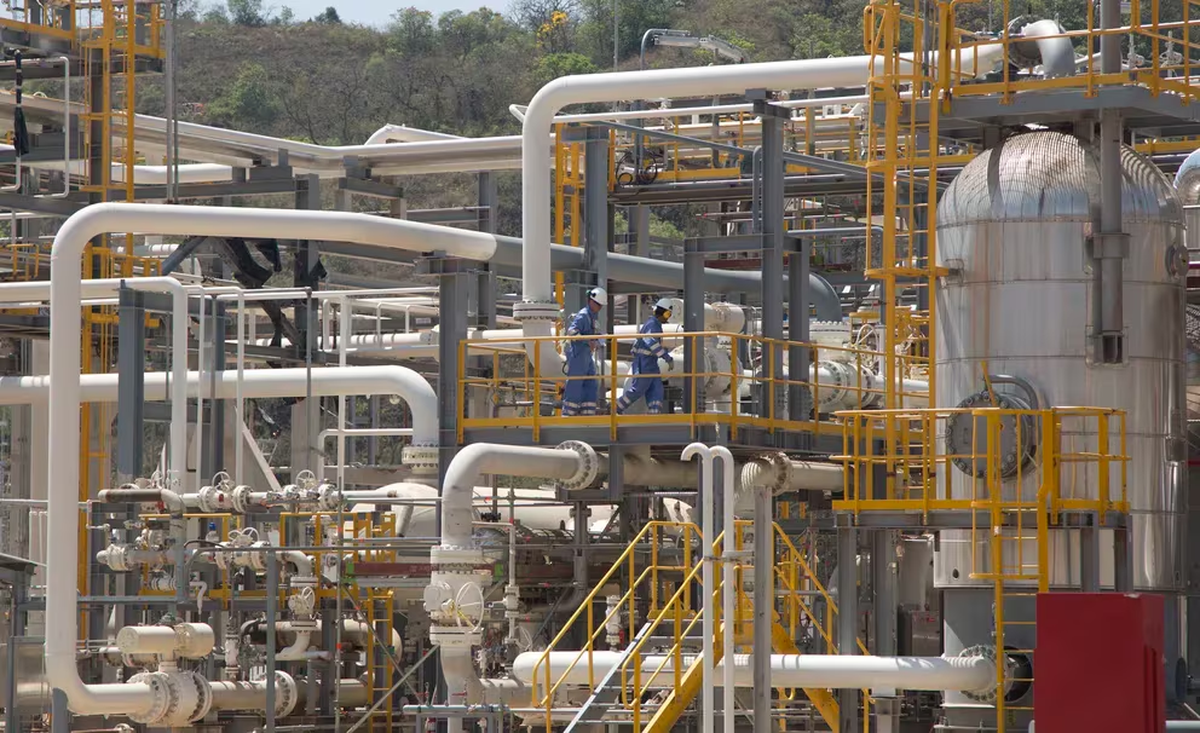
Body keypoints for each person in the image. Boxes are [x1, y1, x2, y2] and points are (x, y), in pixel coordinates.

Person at [617, 298, 675, 415]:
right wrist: (666, 357)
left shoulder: (656, 324)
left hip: (651, 362)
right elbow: (651, 342)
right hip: (643, 363)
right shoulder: (653, 324)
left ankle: (654, 413)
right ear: (665, 313)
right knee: (638, 389)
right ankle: (614, 408)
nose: (668, 318)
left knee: (656, 389)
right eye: (668, 314)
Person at [562, 287, 606, 416]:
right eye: (598, 304)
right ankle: (568, 415)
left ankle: (588, 414)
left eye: (601, 306)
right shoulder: (583, 315)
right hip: (578, 355)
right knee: (575, 385)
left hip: (586, 356)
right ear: (591, 301)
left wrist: (596, 340)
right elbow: (572, 332)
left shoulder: (591, 317)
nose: (599, 308)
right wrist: (588, 341)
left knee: (591, 384)